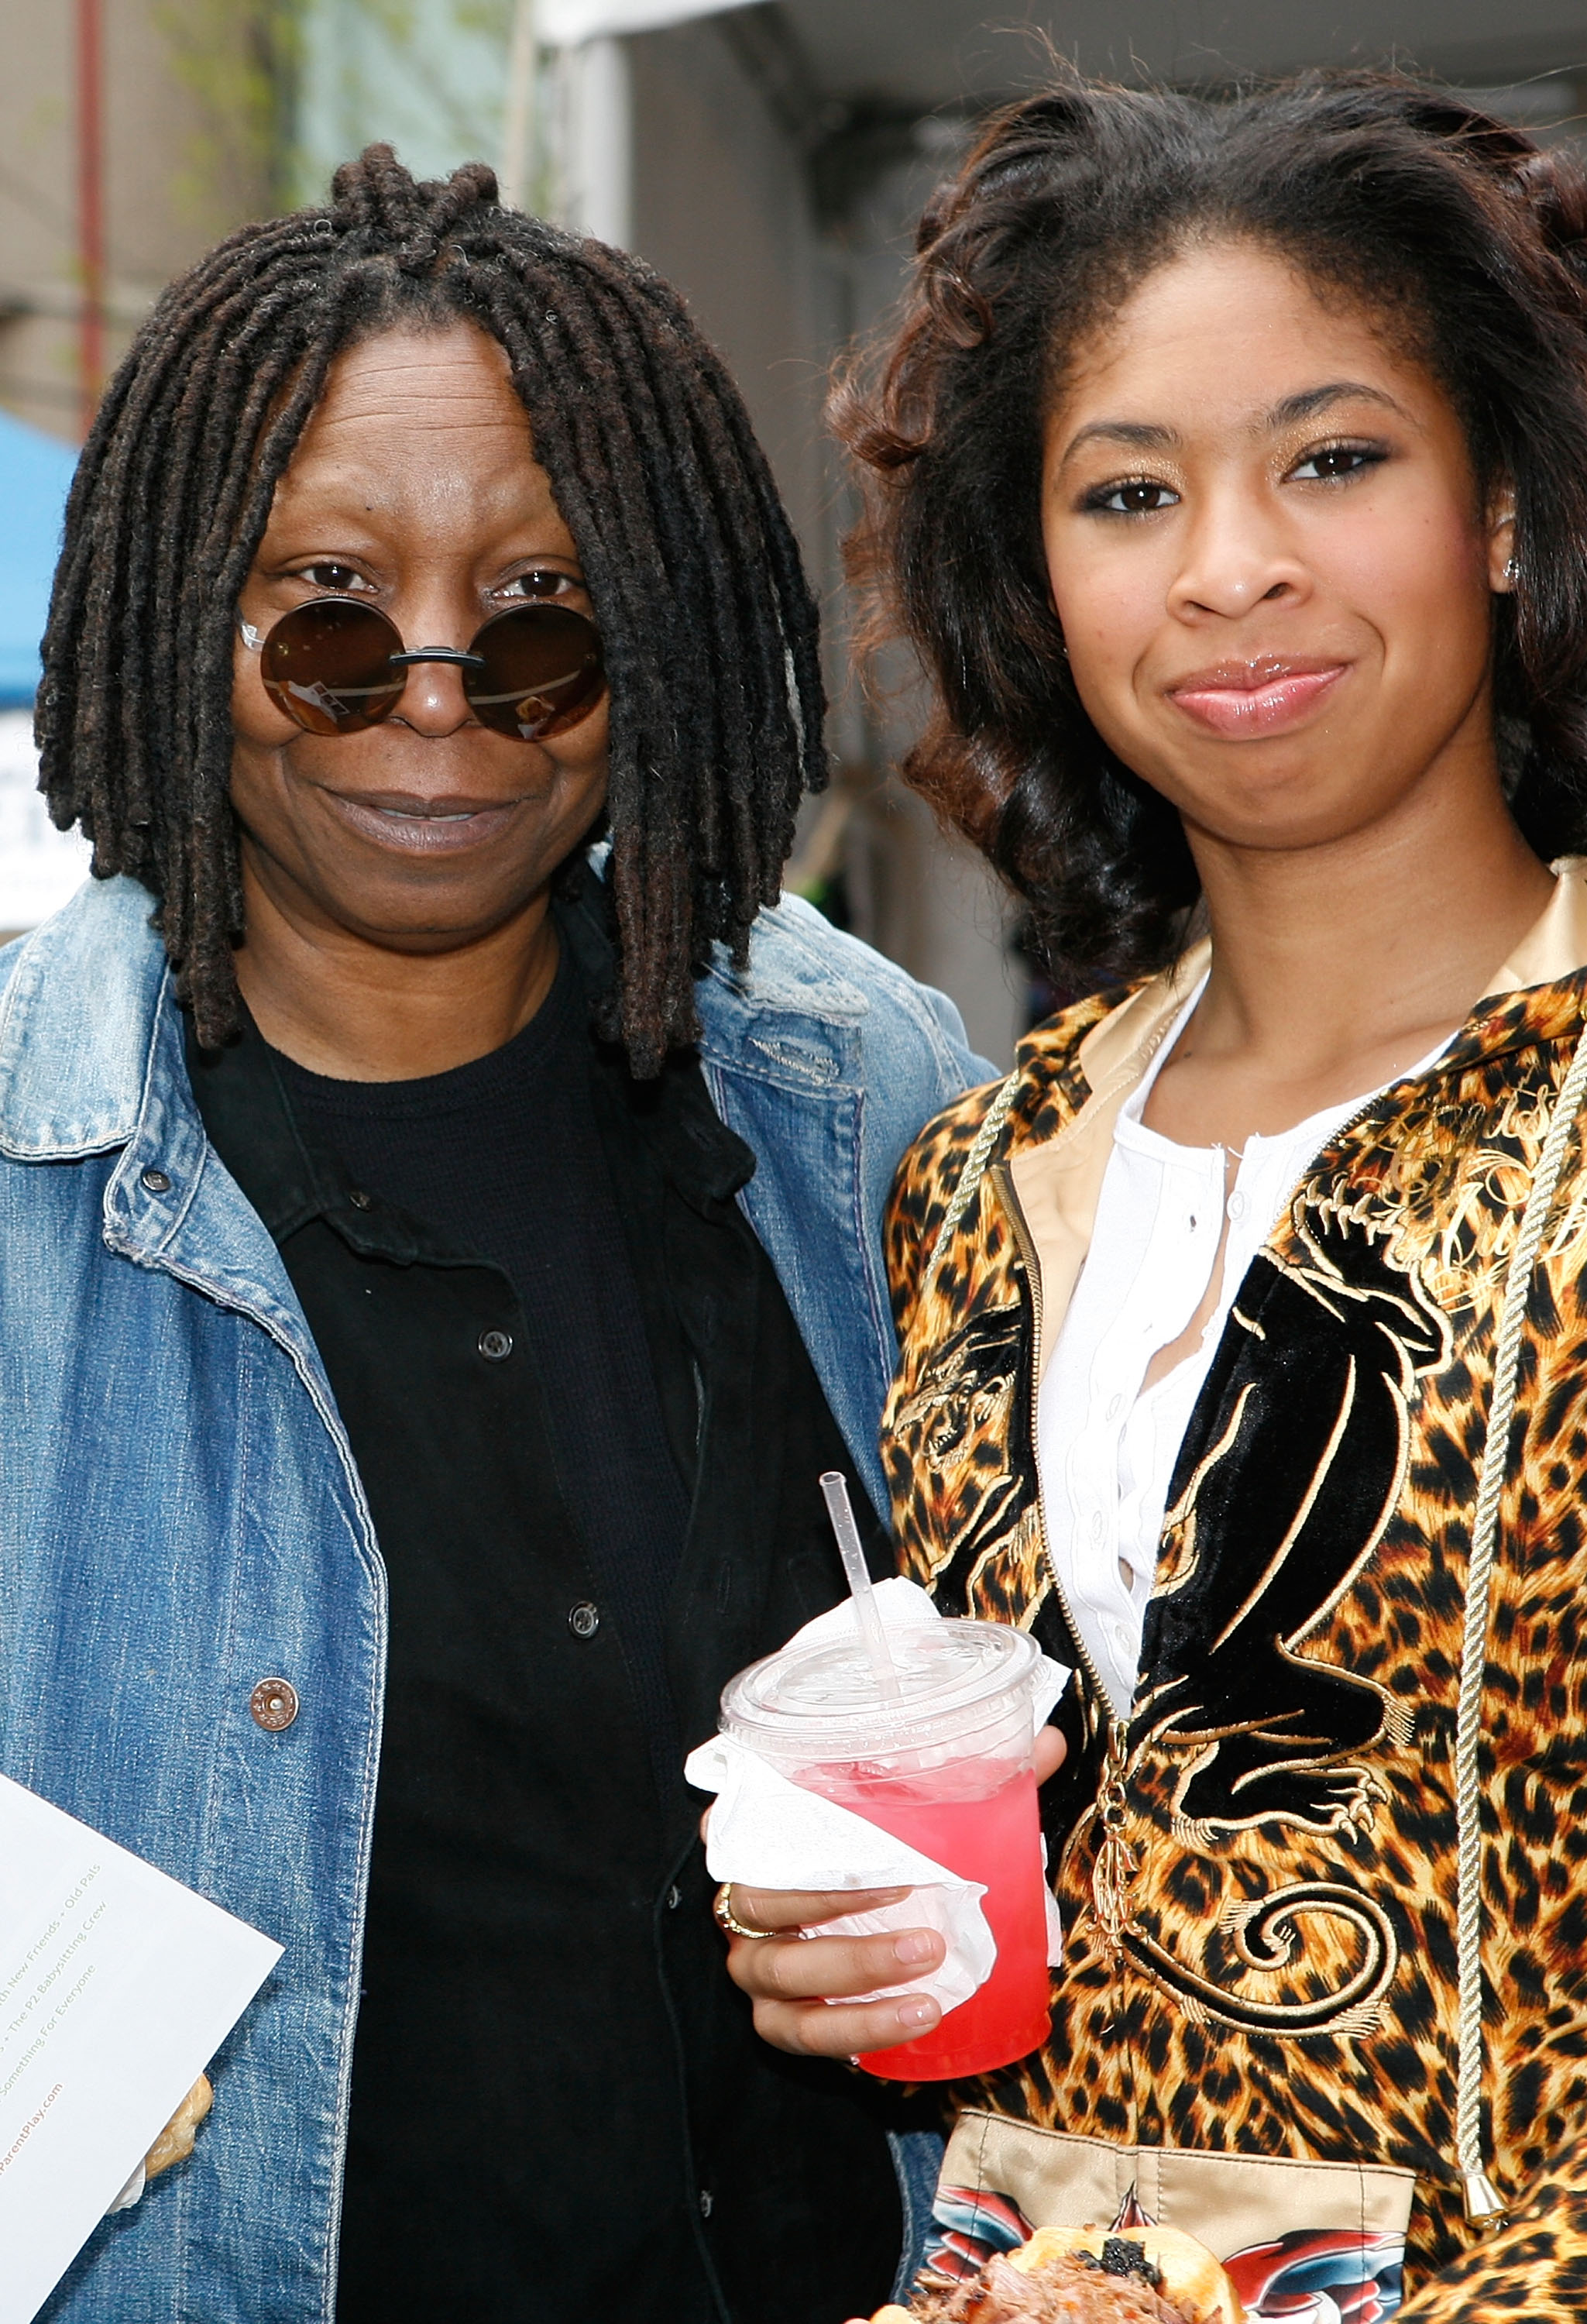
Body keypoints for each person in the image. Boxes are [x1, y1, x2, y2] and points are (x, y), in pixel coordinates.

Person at [719, 74, 1587, 2320]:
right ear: (1038, 584)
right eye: (1127, 493)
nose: (1229, 564)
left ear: (1505, 514)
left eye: (1331, 460)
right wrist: (864, 1935)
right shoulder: (981, 1171)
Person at [0, 146, 990, 2324]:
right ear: (190, 619)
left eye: (537, 624)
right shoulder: (20, 1175)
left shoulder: (864, 1091)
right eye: (332, 614)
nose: (436, 703)